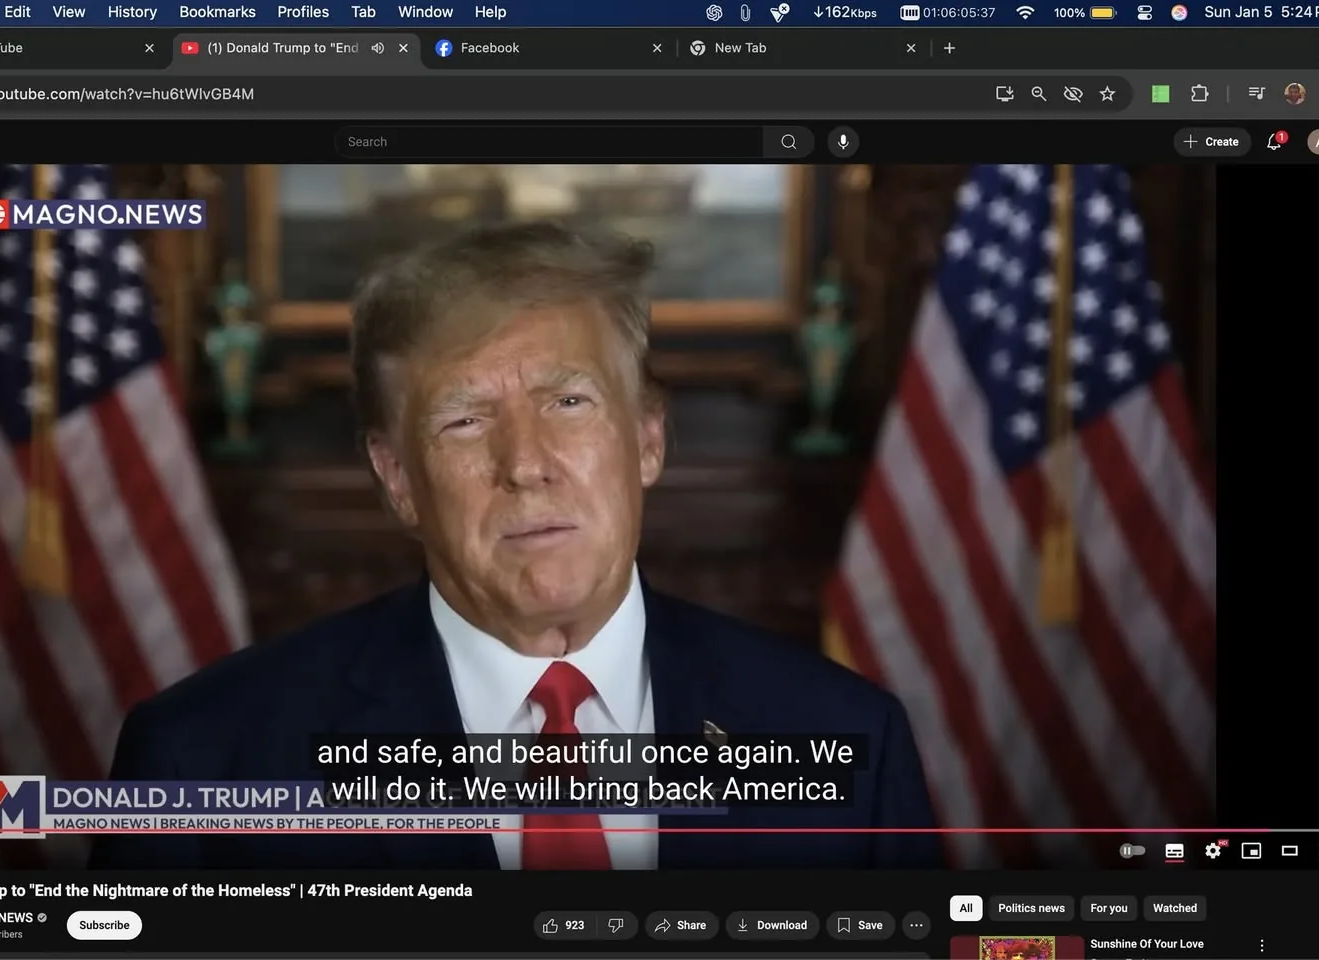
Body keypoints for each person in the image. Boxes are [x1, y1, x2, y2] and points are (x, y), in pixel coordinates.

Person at [89, 222, 942, 870]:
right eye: (464, 421)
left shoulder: (849, 741)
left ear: (647, 440)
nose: (525, 466)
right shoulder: (206, 763)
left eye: (569, 403)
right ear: (396, 477)